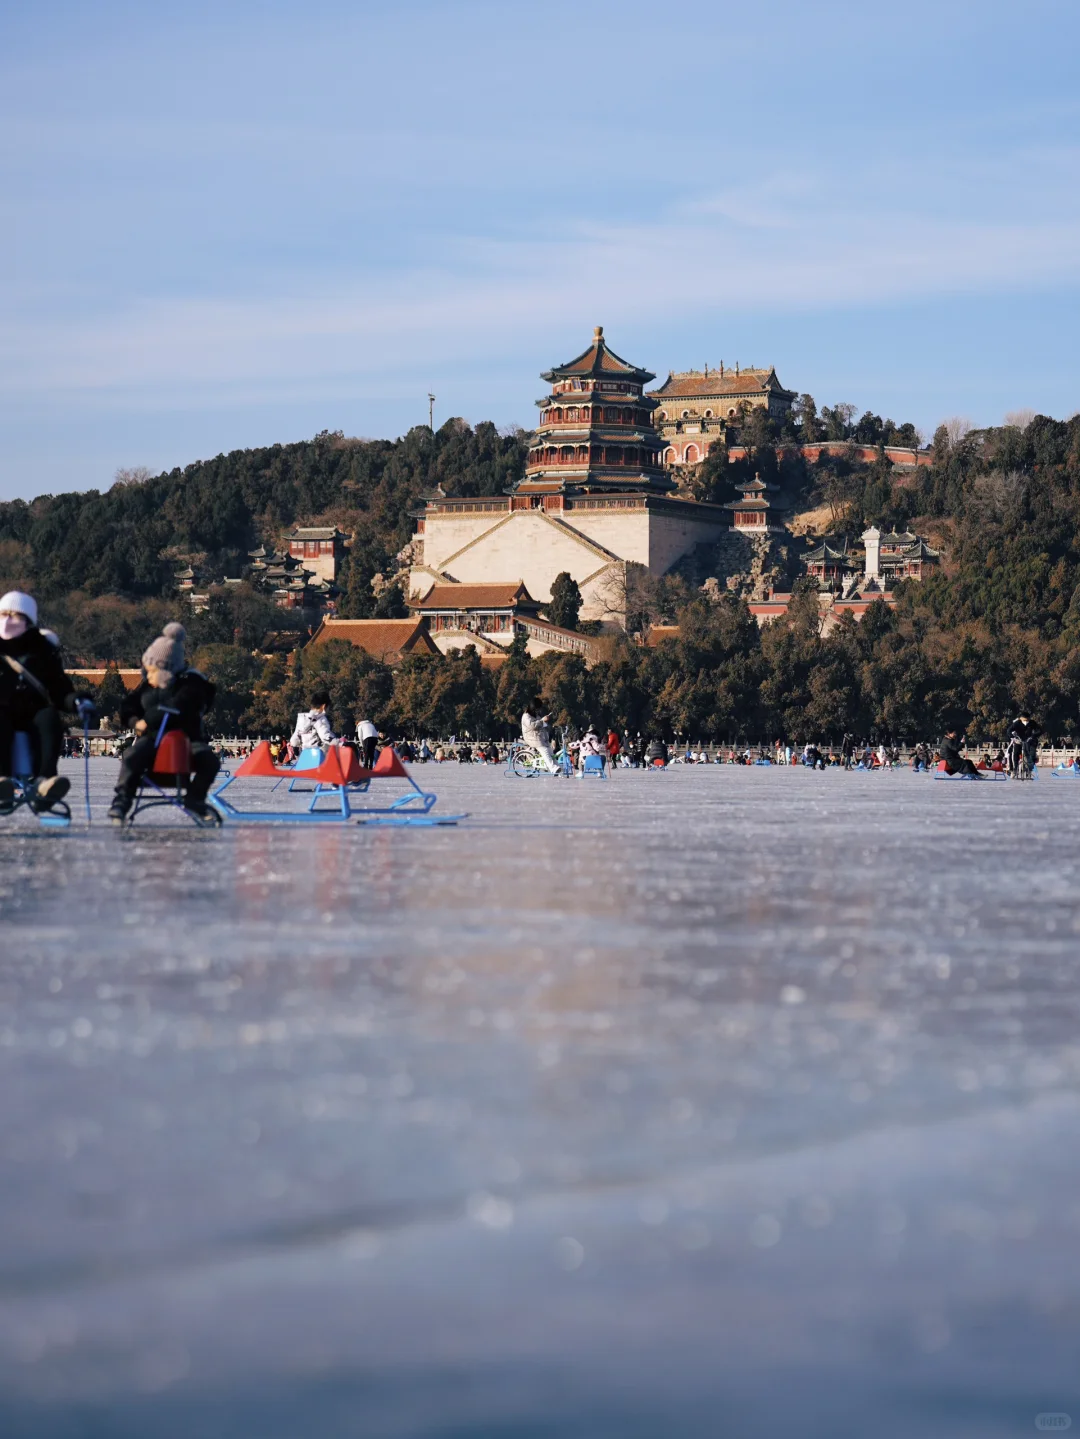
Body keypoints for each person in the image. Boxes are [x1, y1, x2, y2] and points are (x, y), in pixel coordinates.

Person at [108, 623, 220, 822]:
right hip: (153, 741)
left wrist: (148, 720)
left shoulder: (191, 683)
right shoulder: (148, 686)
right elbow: (128, 706)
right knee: (132, 755)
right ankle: (122, 800)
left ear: (164, 668)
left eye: (150, 670)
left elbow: (180, 705)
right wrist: (135, 722)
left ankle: (195, 799)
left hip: (187, 740)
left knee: (209, 761)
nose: (146, 675)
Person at [0, 590, 94, 814]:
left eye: (15, 615)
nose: (7, 620)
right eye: (3, 614)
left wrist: (78, 702)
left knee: (49, 717)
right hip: (2, 711)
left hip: (33, 712)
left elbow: (60, 689)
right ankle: (2, 780)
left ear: (28, 621)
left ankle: (44, 781)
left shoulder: (42, 651)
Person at [290, 691, 335, 758]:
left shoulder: (302, 719)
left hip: (305, 756)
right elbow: (326, 737)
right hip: (320, 757)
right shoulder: (320, 719)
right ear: (324, 706)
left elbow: (294, 741)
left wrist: (295, 747)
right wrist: (341, 743)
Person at [521, 698, 560, 774]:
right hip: (531, 737)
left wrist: (546, 723)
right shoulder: (526, 716)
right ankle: (552, 768)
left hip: (539, 737)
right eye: (537, 709)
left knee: (550, 751)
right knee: (545, 751)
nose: (538, 710)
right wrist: (542, 721)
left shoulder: (535, 715)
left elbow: (541, 724)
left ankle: (557, 766)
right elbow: (532, 726)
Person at [1006, 712, 1042, 776]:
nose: (1026, 722)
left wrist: (1033, 736)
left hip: (1029, 741)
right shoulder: (1017, 723)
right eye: (1024, 720)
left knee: (1032, 755)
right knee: (1015, 754)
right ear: (1020, 718)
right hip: (1019, 740)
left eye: (1027, 720)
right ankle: (1015, 770)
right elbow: (1009, 730)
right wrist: (1013, 738)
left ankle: (1029, 769)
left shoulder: (1032, 723)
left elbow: (1040, 730)